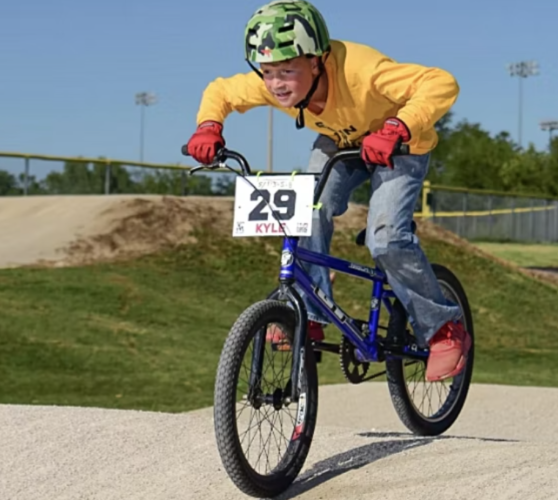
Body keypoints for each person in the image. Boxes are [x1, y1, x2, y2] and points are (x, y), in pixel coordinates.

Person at [184, 0, 471, 382]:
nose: (276, 84)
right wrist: (208, 126)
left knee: (384, 239)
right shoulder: (273, 83)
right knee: (306, 211)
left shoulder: (362, 71)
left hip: (399, 145)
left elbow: (440, 82)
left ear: (317, 61)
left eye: (287, 71)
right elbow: (221, 91)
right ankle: (311, 311)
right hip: (340, 141)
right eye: (267, 72)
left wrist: (396, 128)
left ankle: (443, 327)